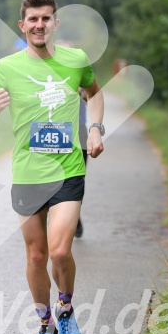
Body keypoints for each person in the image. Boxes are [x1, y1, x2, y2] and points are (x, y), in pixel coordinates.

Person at [0, 0, 104, 334]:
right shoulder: (6, 68)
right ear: (22, 25)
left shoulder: (76, 60)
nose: (39, 25)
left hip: (68, 171)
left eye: (46, 19)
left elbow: (95, 94)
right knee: (35, 257)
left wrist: (95, 128)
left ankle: (66, 309)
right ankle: (45, 324)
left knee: (60, 251)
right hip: (28, 174)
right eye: (33, 19)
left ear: (55, 24)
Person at [75, 88, 88, 238]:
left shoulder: (79, 66)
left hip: (78, 130)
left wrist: (82, 92)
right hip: (45, 130)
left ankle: (74, 215)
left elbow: (93, 95)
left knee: (77, 177)